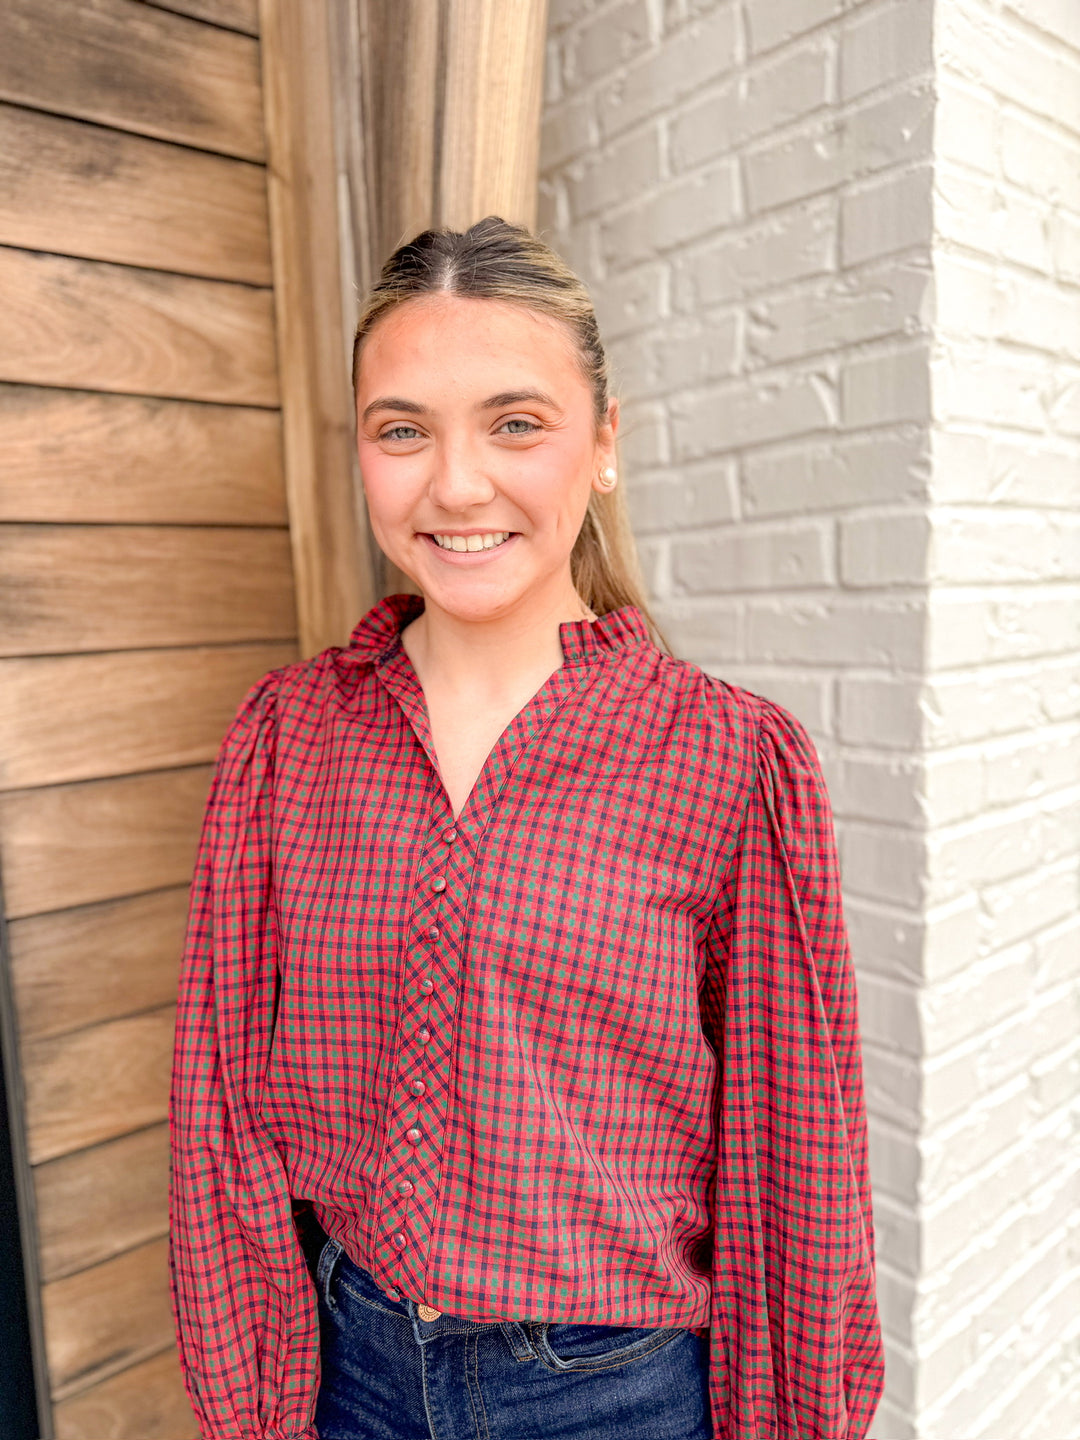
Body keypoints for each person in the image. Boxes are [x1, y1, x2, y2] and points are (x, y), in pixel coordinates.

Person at [168, 216, 885, 1440]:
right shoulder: (287, 739)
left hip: (615, 1394)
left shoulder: (725, 756)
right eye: (404, 430)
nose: (456, 483)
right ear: (363, 453)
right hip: (352, 1381)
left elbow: (791, 1148)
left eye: (515, 422)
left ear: (604, 442)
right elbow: (223, 1106)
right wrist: (254, 1407)